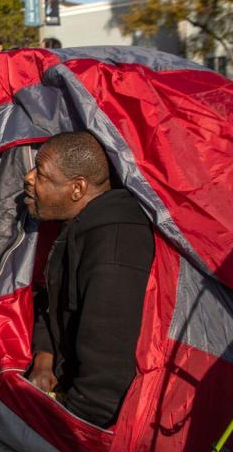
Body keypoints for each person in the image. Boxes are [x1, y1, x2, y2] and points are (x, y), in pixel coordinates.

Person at [24, 131, 154, 427]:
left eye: (41, 173)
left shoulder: (115, 250)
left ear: (77, 189)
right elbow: (51, 303)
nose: (28, 178)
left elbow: (105, 386)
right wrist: (44, 358)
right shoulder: (77, 224)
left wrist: (68, 420)